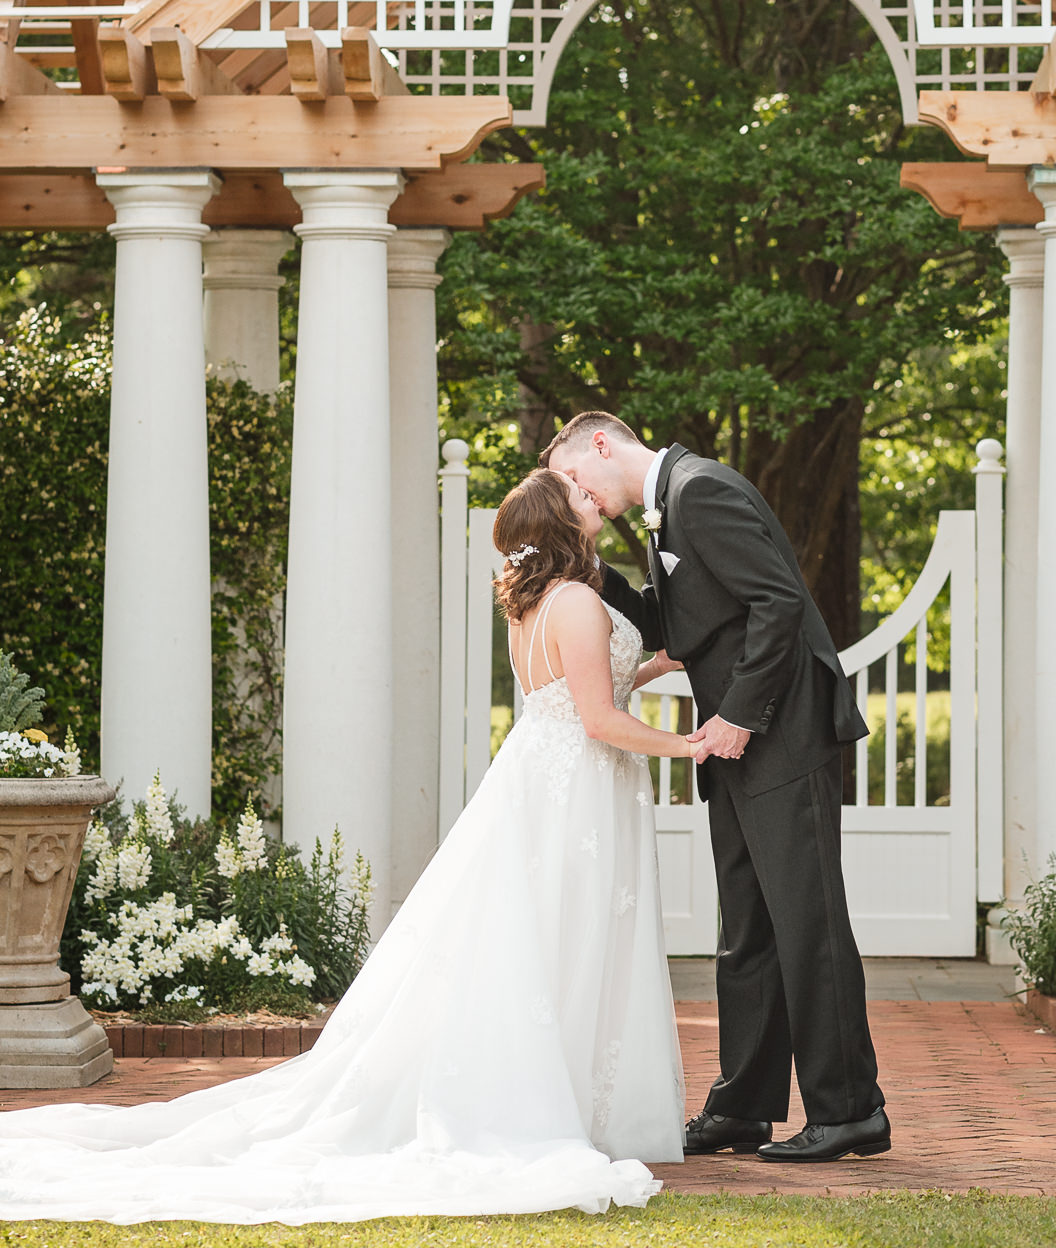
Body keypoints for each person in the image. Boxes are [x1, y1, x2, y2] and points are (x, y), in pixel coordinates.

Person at [0, 469, 698, 1224]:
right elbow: (597, 717)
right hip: (577, 790)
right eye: (576, 496)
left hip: (549, 781)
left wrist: (660, 665)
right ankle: (546, 1105)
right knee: (567, 937)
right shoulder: (581, 602)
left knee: (543, 939)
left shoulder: (540, 602)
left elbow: (591, 685)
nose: (588, 499)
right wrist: (689, 743)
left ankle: (555, 1095)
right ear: (561, 522)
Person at [543, 412, 890, 1164]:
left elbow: (779, 603)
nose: (585, 499)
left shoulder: (700, 491)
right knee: (747, 932)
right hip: (737, 750)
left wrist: (738, 714)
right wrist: (577, 561)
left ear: (600, 445)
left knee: (808, 924)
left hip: (782, 735)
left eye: (577, 482)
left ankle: (851, 1109)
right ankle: (744, 1107)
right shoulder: (670, 511)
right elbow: (675, 627)